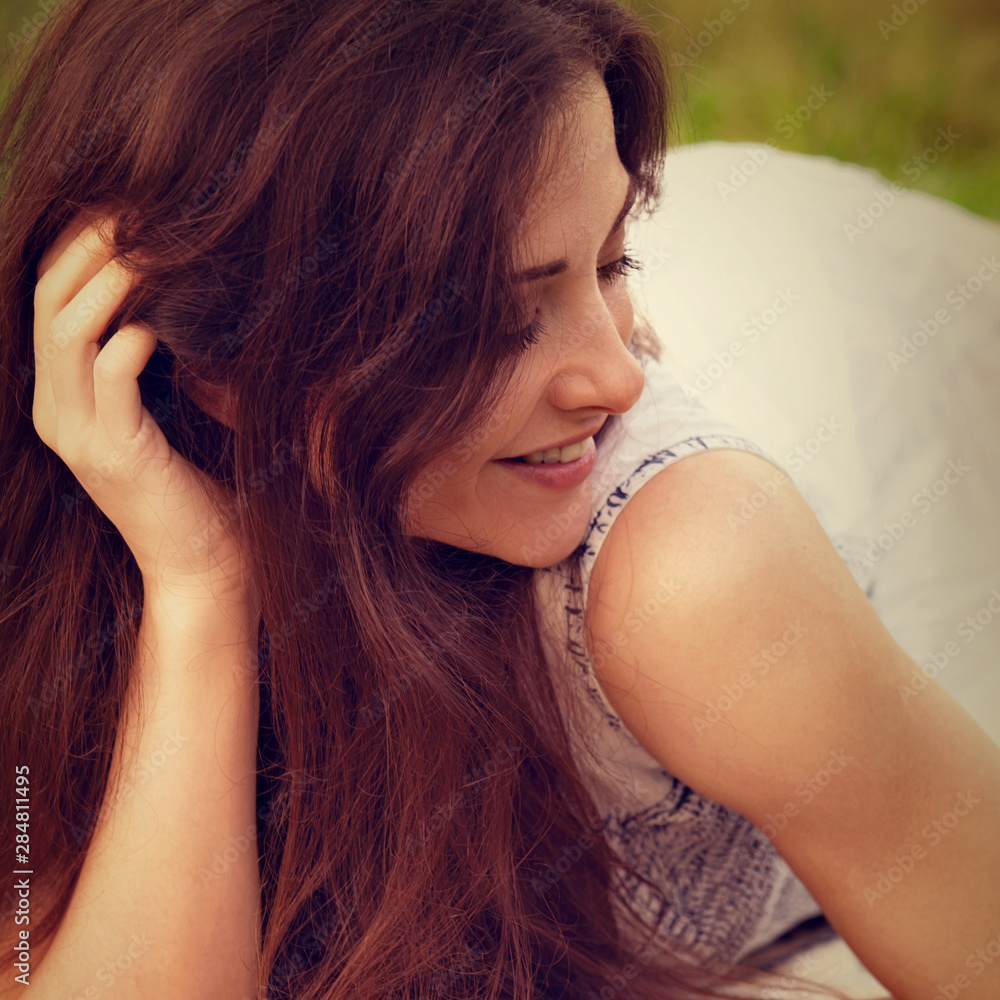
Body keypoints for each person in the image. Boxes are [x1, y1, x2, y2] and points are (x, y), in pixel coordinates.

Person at [0, 2, 997, 999]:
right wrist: (200, 590)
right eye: (505, 318)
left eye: (613, 260)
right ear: (218, 373)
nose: (615, 378)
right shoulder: (86, 501)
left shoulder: (695, 574)